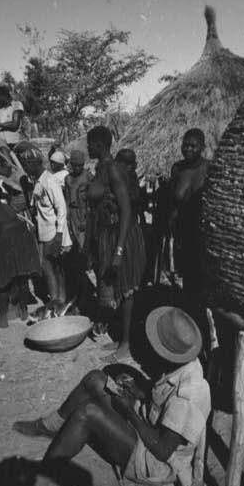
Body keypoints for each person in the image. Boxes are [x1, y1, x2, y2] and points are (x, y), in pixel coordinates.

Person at [13, 307, 211, 486]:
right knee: (95, 379)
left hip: (155, 462)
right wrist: (138, 391)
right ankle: (50, 426)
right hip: (147, 425)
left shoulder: (186, 397)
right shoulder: (182, 362)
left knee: (87, 412)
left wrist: (129, 412)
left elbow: (163, 451)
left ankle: (41, 482)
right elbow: (161, 398)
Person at [85, 126, 146, 361]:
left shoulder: (113, 170)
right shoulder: (101, 170)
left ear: (99, 145)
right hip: (107, 236)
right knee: (117, 290)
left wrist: (119, 251)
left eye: (90, 144)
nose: (88, 148)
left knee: (126, 289)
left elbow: (127, 211)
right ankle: (122, 337)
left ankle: (128, 344)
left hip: (122, 236)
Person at [15, 145, 72, 312]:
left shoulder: (50, 181)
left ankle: (58, 299)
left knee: (52, 267)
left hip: (53, 232)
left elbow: (61, 209)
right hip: (44, 231)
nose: (26, 169)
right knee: (48, 266)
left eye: (26, 166)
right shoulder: (39, 182)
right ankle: (56, 299)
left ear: (34, 164)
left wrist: (59, 235)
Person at [168, 129, 210, 334]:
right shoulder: (177, 169)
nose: (188, 149)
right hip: (183, 235)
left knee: (204, 283)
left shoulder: (210, 169)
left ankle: (204, 327)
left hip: (205, 237)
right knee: (187, 282)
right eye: (185, 144)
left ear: (202, 147)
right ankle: (189, 325)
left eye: (193, 145)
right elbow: (173, 204)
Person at [0, 185, 41, 328]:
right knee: (21, 276)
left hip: (5, 239)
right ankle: (24, 310)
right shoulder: (7, 208)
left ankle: (3, 318)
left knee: (2, 279)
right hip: (22, 238)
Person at [64, 149, 93, 311]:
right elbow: (67, 200)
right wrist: (68, 221)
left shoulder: (88, 177)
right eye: (74, 166)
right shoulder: (68, 179)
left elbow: (91, 201)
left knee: (83, 252)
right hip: (73, 216)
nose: (76, 168)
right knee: (74, 252)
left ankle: (85, 291)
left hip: (83, 217)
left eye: (79, 166)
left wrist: (86, 219)